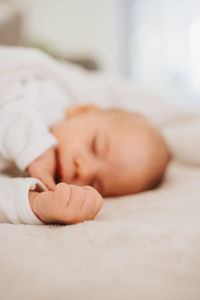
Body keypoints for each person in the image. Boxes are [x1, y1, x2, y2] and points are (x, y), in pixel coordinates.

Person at [0, 46, 170, 225]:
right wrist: (37, 150)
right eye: (94, 146)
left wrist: (35, 203)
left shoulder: (41, 184)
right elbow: (8, 93)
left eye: (94, 183)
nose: (84, 170)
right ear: (82, 111)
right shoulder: (50, 100)